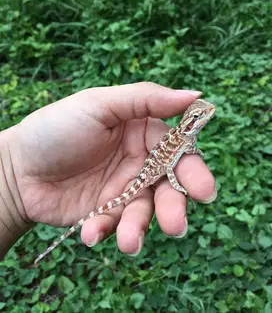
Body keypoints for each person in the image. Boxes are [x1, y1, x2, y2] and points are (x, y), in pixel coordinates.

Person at [0, 82, 216, 260]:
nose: (206, 115)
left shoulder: (185, 137)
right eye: (200, 115)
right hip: (155, 170)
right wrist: (176, 184)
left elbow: (189, 147)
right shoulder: (182, 137)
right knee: (169, 174)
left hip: (147, 170)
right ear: (191, 122)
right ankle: (46, 251)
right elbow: (170, 164)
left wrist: (10, 177)